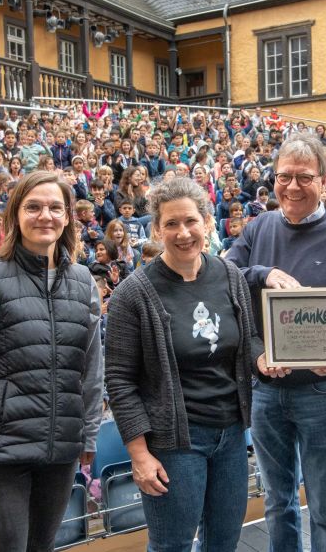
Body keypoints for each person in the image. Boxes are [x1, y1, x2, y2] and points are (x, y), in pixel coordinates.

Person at [225, 133, 326, 552]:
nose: (292, 186)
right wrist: (262, 274)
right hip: (268, 391)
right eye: (284, 176)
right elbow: (224, 278)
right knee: (278, 502)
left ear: (324, 181)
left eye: (304, 177)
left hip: (323, 390)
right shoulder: (258, 229)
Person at [0, 171, 104, 551]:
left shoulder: (84, 281)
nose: (44, 216)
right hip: (3, 448)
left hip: (60, 446)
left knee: (43, 546)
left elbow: (91, 366)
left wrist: (90, 431)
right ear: (15, 215)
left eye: (55, 207)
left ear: (68, 216)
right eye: (33, 207)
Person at [105, 177, 264, 551]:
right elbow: (119, 380)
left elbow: (249, 338)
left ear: (207, 221)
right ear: (157, 229)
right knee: (172, 545)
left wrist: (262, 359)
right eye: (171, 224)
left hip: (230, 433)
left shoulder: (230, 275)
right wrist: (140, 455)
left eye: (191, 221)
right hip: (175, 443)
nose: (183, 232)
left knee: (224, 541)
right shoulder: (134, 293)